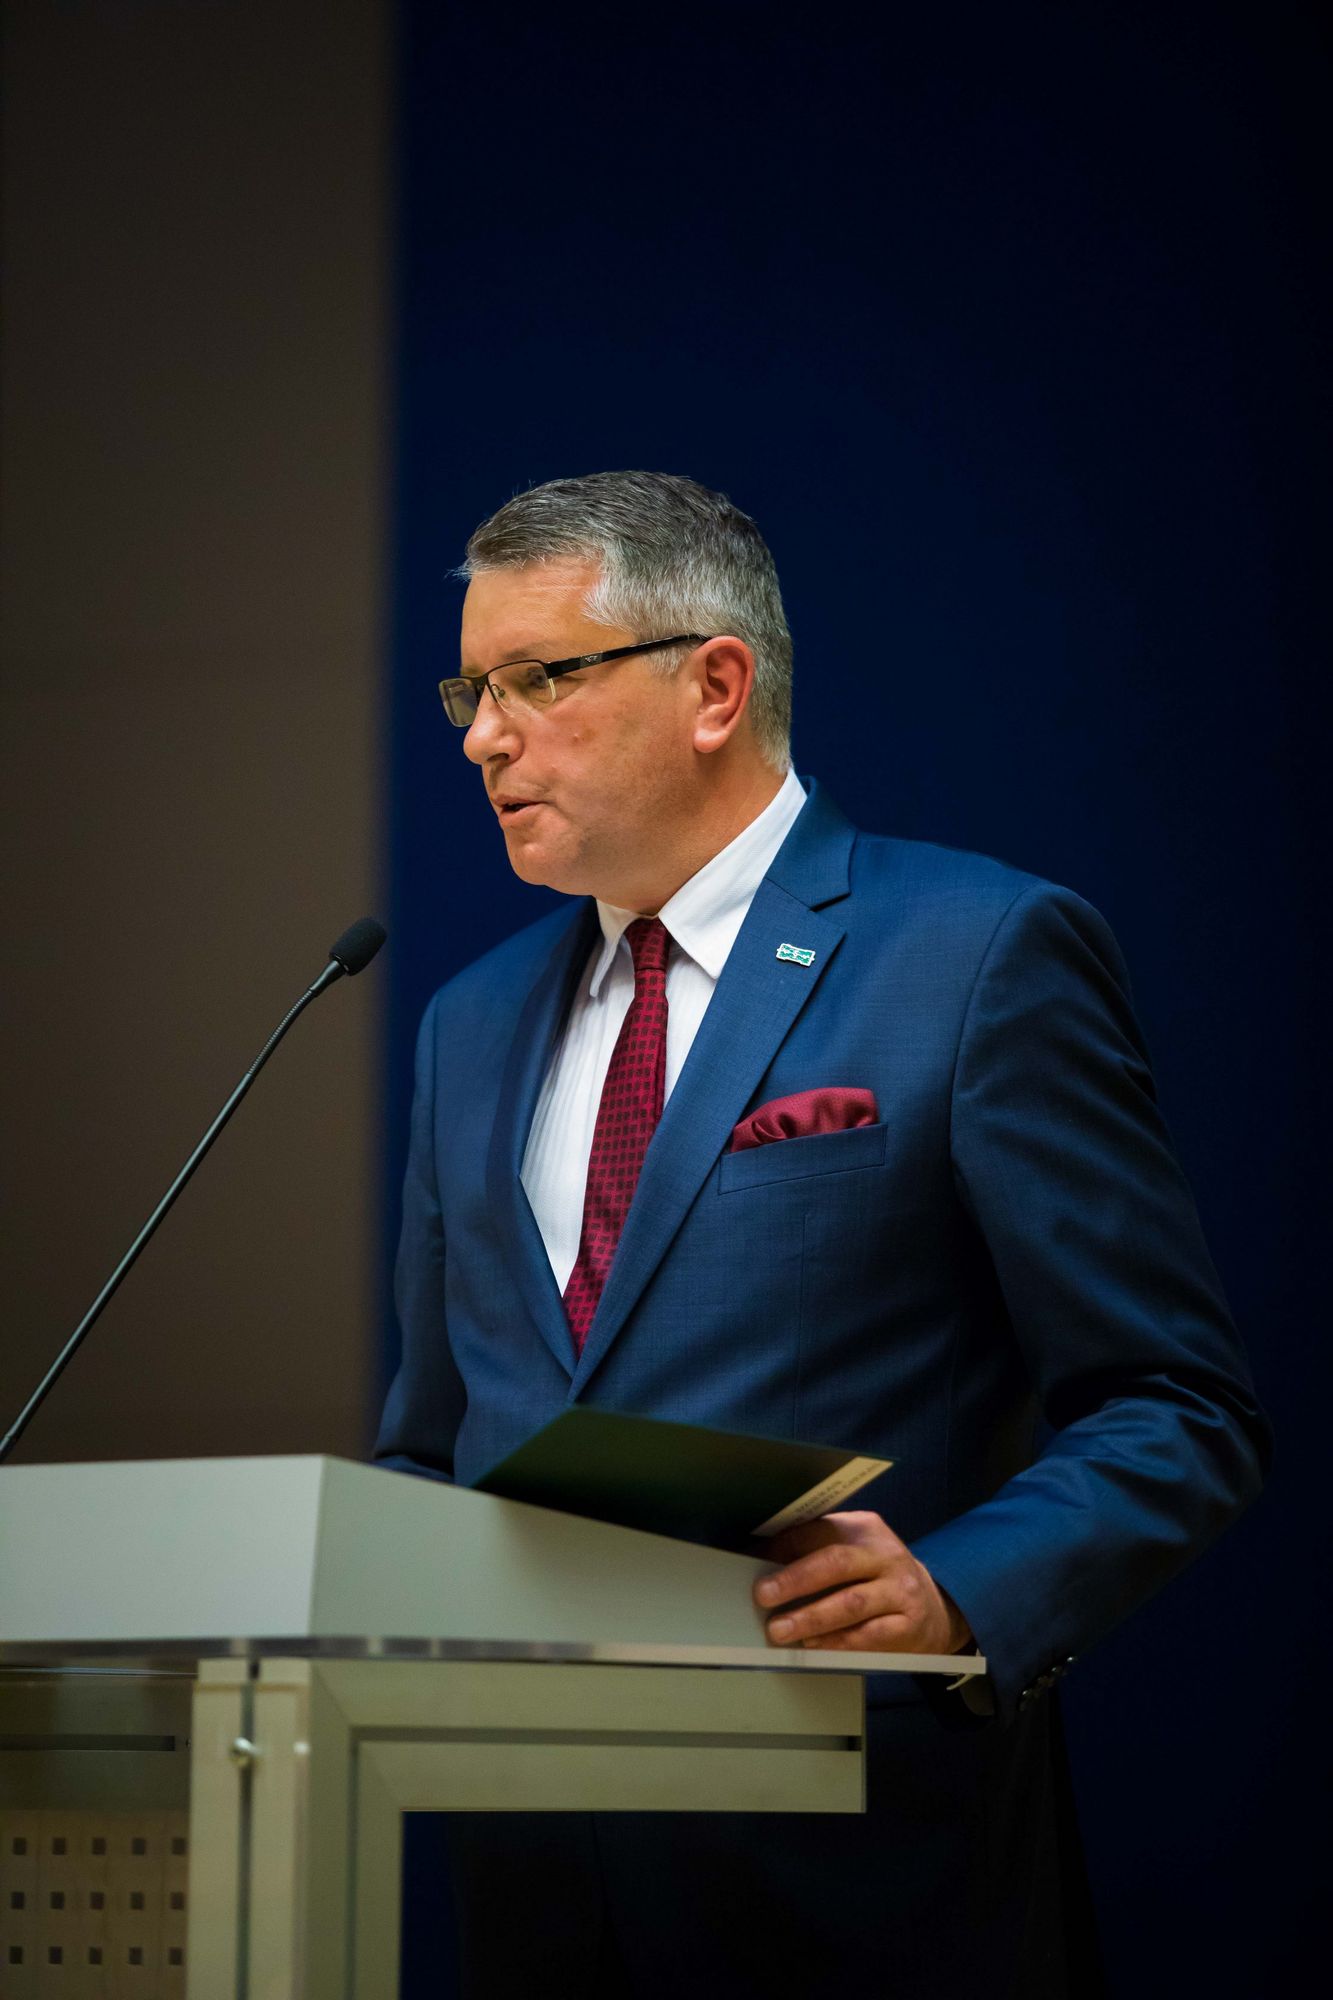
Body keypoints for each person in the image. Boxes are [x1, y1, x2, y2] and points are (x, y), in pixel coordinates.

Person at [375, 470, 1269, 1998]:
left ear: (714, 687)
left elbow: (1177, 1408)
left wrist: (960, 1591)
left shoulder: (972, 955)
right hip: (534, 1884)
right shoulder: (468, 1020)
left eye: (538, 679)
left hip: (863, 1869)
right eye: (473, 689)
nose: (482, 736)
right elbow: (433, 1447)